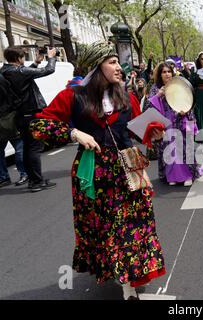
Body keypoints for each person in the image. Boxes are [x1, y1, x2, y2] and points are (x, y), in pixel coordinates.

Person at [29, 43, 166, 300]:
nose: (119, 67)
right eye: (112, 62)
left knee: (133, 225)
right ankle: (119, 273)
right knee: (105, 227)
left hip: (130, 166)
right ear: (96, 66)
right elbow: (38, 125)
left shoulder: (128, 96)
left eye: (118, 62)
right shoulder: (72, 96)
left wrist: (153, 132)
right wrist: (74, 132)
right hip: (94, 173)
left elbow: (136, 131)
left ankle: (130, 284)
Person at [0, 46, 57, 192]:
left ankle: (33, 179)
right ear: (18, 58)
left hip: (19, 115)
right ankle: (37, 182)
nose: (24, 59)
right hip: (30, 114)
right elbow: (49, 70)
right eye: (23, 56)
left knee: (27, 148)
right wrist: (51, 57)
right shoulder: (19, 71)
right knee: (34, 148)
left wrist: (36, 63)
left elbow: (23, 78)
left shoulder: (4, 72)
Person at [146, 62, 203, 187]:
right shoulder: (156, 88)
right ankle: (172, 176)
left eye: (169, 71)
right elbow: (147, 107)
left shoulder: (179, 84)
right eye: (164, 72)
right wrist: (158, 96)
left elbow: (189, 101)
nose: (167, 74)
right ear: (159, 75)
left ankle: (188, 175)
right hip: (166, 123)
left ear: (173, 73)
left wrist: (186, 112)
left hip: (181, 120)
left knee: (184, 147)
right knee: (169, 150)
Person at [0, 67, 28, 189]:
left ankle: (24, 174)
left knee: (19, 152)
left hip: (10, 125)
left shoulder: (5, 87)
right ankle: (3, 178)